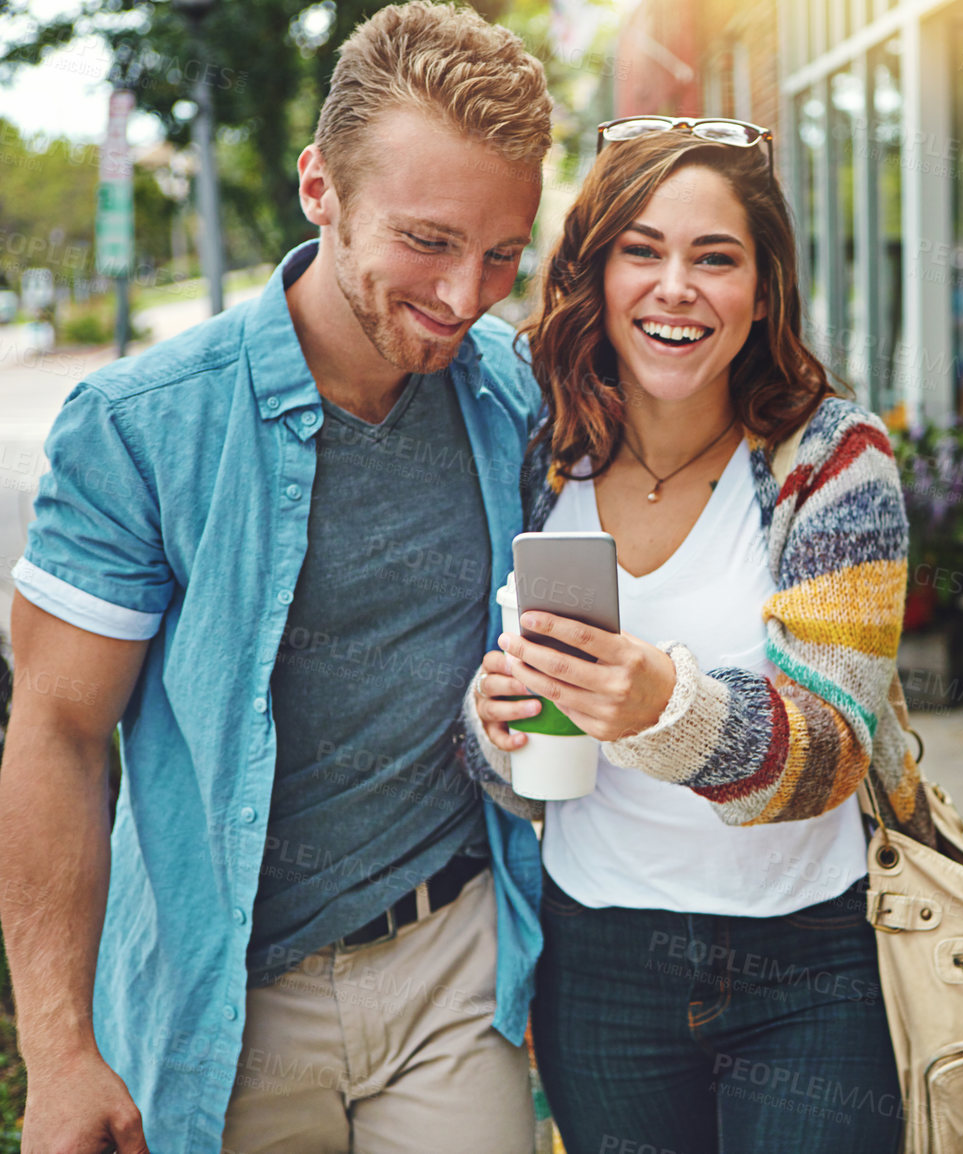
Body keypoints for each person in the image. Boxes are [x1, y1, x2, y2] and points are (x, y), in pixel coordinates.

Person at [0, 5, 552, 1152]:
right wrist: (58, 1053)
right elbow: (55, 730)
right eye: (429, 241)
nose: (465, 296)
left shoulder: (517, 392)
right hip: (228, 998)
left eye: (502, 252)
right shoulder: (142, 429)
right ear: (321, 189)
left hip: (454, 958)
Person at [464, 119, 937, 1153]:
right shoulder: (537, 445)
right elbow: (507, 762)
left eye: (713, 257)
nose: (674, 285)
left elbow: (829, 749)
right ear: (595, 275)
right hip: (598, 957)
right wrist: (492, 724)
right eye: (642, 250)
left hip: (811, 962)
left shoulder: (832, 457)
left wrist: (660, 707)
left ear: (762, 290)